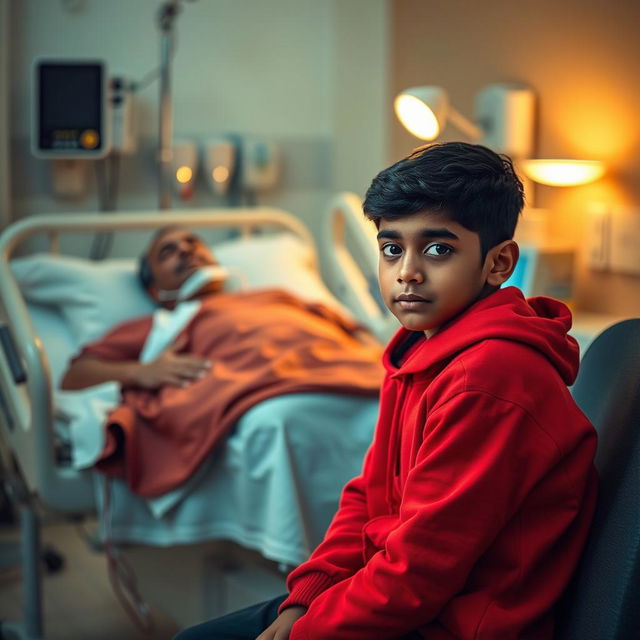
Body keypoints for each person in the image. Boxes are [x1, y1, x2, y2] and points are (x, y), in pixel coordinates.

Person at [174, 142, 598, 640]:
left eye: (438, 249)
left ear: (499, 263)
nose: (407, 272)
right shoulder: (419, 352)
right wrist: (304, 601)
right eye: (392, 248)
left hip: (458, 622)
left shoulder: (488, 379)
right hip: (400, 597)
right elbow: (368, 499)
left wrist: (307, 632)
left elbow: (422, 568)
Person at [61, 225, 383, 497]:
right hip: (278, 395)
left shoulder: (278, 296)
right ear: (155, 290)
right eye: (168, 252)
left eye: (193, 243)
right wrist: (143, 372)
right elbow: (76, 375)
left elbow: (357, 333)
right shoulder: (163, 324)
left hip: (361, 376)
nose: (186, 250)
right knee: (284, 420)